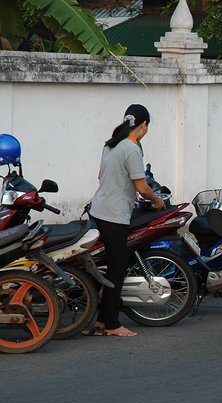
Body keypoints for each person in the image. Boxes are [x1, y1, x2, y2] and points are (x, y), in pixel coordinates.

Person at [88, 104, 166, 336]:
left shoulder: (110, 145)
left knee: (112, 265)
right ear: (143, 126)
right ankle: (112, 324)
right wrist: (157, 200)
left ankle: (102, 322)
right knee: (117, 269)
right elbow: (141, 186)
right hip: (114, 215)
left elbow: (100, 175)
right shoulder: (132, 149)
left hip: (99, 210)